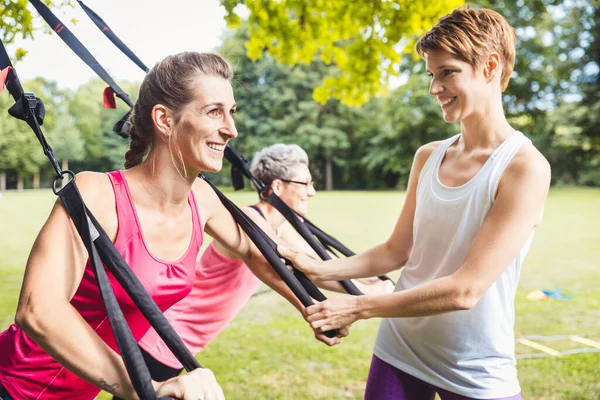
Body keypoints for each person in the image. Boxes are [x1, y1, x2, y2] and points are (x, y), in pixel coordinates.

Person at [0, 52, 333, 400]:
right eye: (214, 111)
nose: (231, 130)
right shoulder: (96, 194)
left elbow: (254, 248)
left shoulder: (201, 198)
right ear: (164, 120)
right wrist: (149, 388)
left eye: (231, 112)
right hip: (10, 386)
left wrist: (313, 307)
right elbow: (38, 309)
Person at [280, 7, 551, 400]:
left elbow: (466, 289)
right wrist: (319, 268)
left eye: (447, 72)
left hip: (475, 368)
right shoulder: (428, 157)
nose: (434, 88)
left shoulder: (525, 168)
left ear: (491, 66)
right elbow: (396, 251)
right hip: (400, 352)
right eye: (431, 74)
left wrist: (359, 307)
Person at [120, 143, 394, 388]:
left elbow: (319, 268)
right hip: (163, 337)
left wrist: (372, 285)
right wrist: (368, 295)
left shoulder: (279, 227)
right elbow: (282, 271)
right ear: (277, 187)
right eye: (305, 184)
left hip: (179, 340)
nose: (312, 192)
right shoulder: (249, 221)